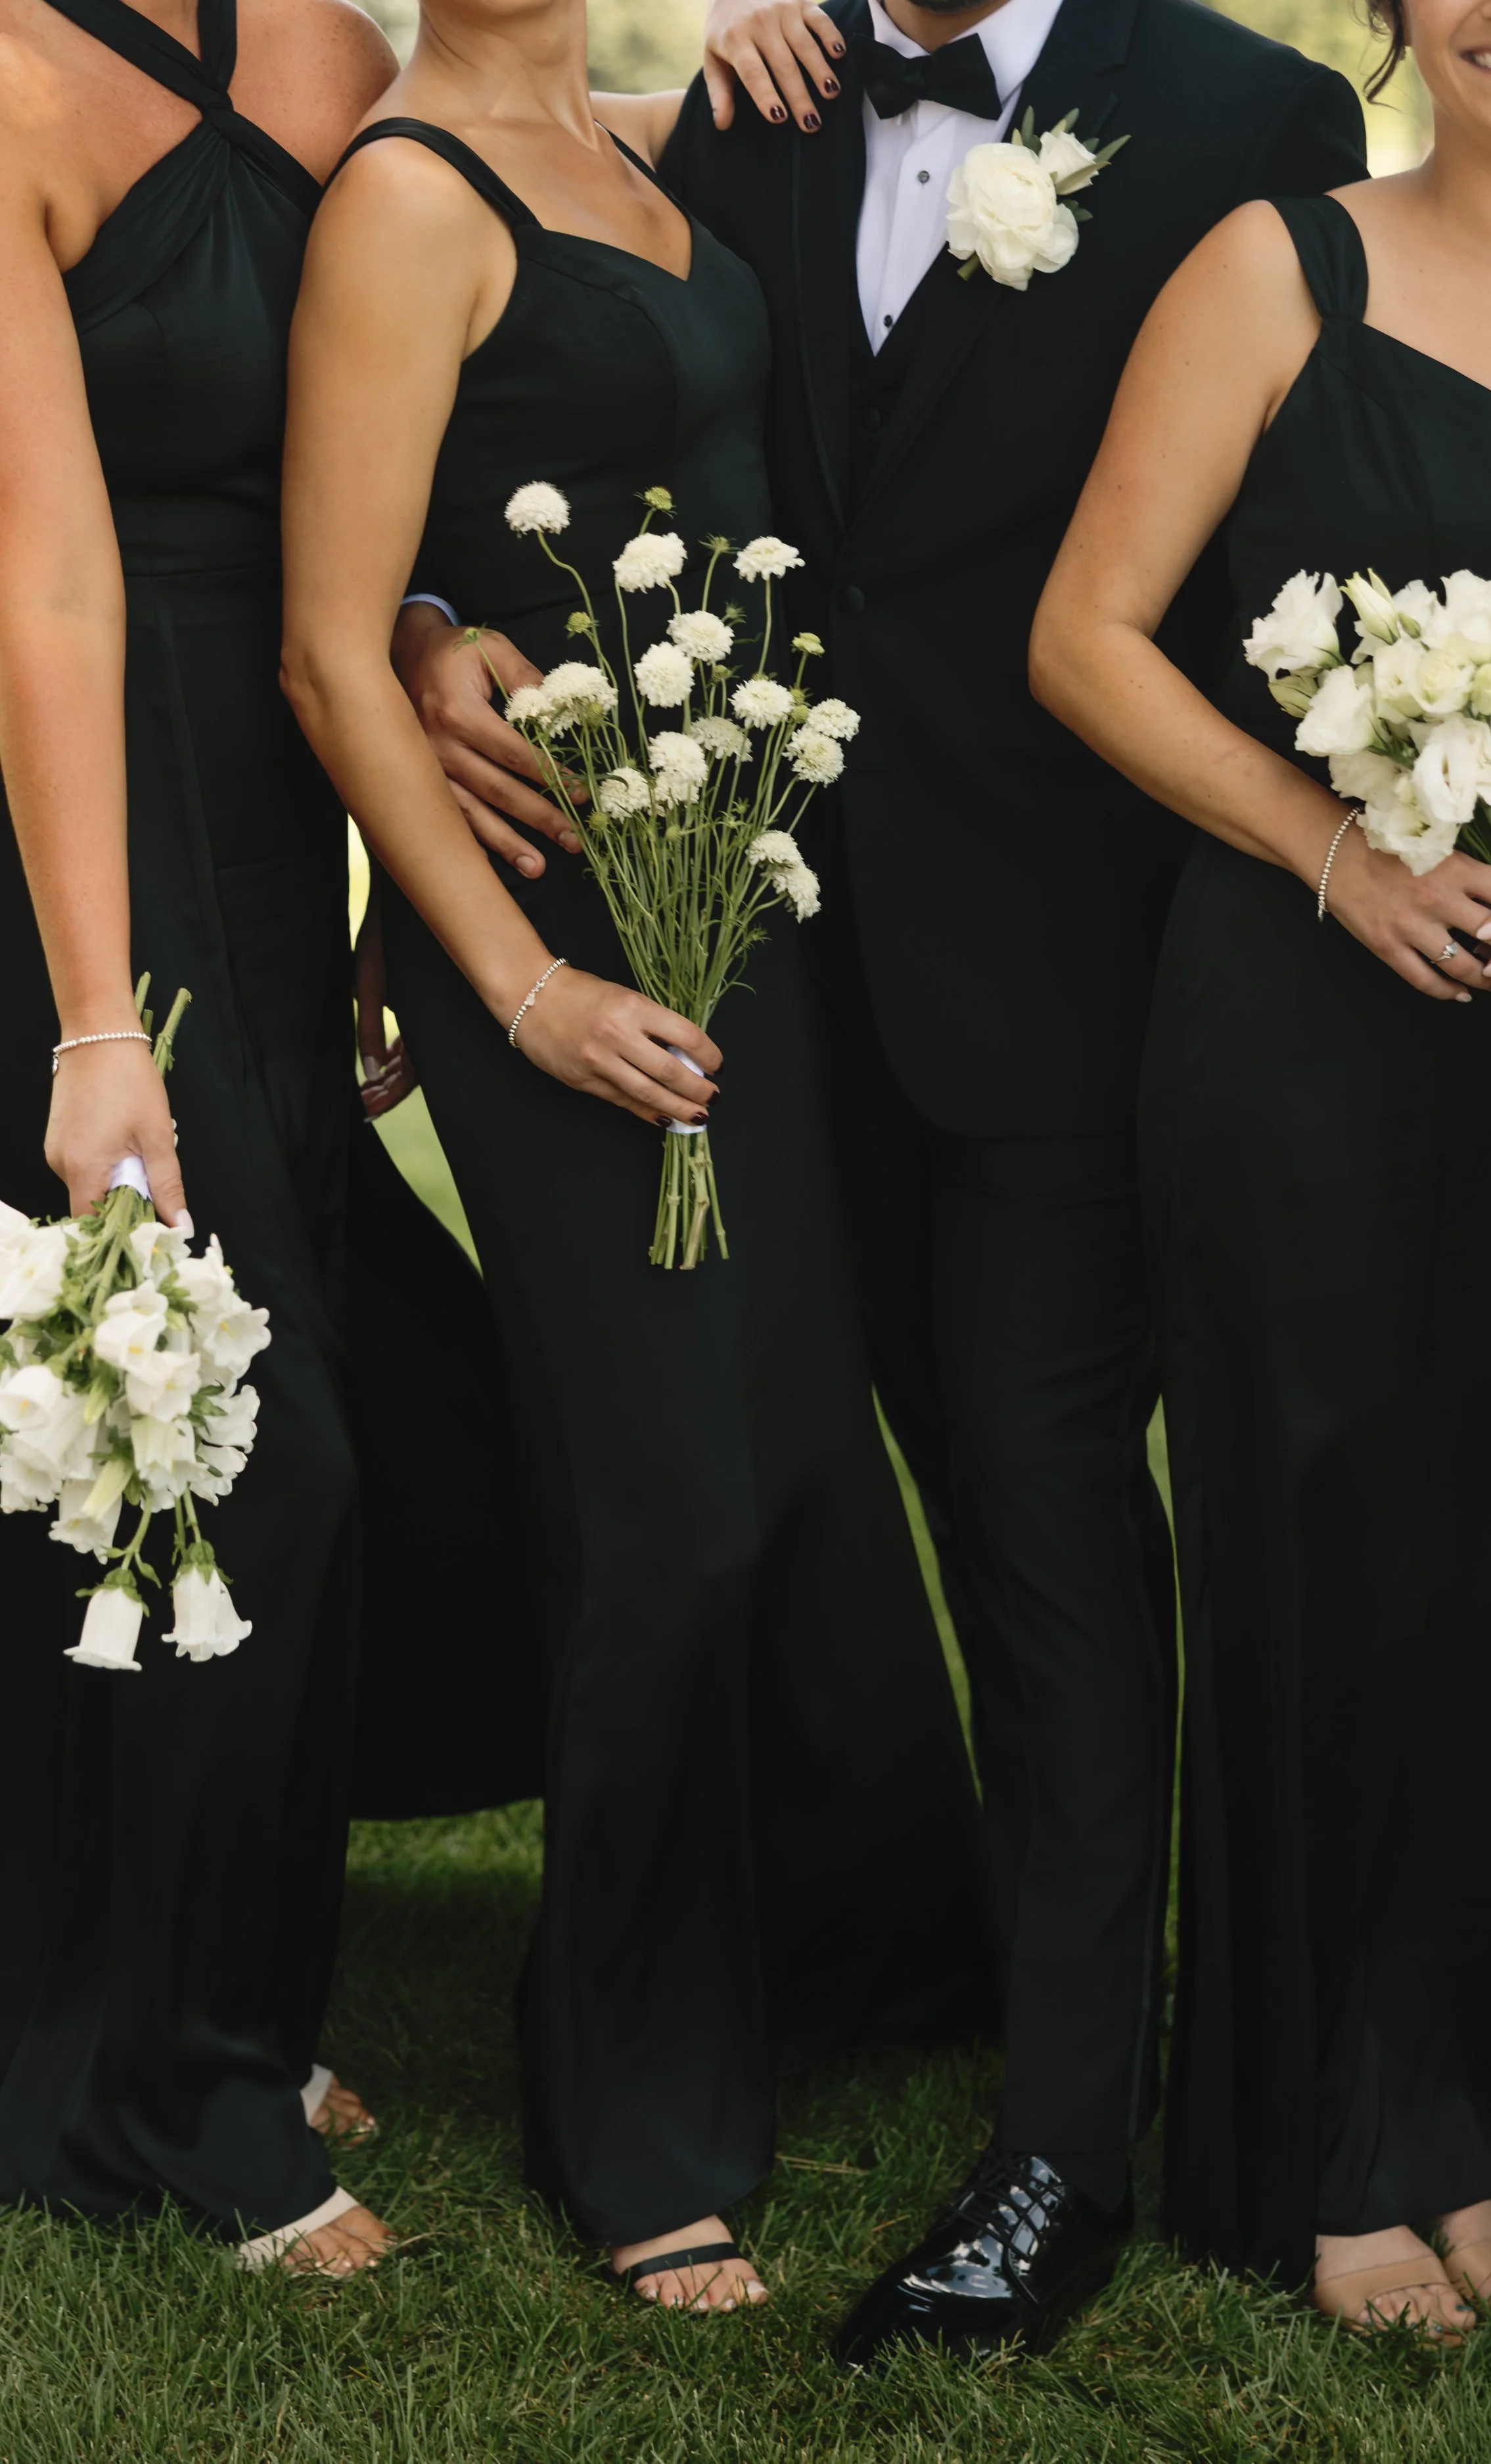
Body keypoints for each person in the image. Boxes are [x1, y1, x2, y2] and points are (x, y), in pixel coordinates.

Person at [391, 0, 1367, 2363]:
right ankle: (835, 1957)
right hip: (744, 962)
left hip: (1060, 979)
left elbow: (1311, 546)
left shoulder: (1251, 114)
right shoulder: (754, 105)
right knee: (755, 1488)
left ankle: (1060, 2143)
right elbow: (560, 394)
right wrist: (431, 633)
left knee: (1042, 1536)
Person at [279, 0, 993, 2318]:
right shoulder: (404, 195)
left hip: (733, 889)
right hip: (559, 937)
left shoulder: (643, 145)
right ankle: (633, 2102)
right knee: (660, 1499)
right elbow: (323, 647)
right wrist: (508, 983)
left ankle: (854, 1955)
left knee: (782, 1449)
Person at [1032, 0, 1491, 2344]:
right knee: (1327, 1553)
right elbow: (1080, 637)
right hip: (1301, 1026)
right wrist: (1333, 852)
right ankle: (1328, 2132)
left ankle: (1478, 2092)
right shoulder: (1279, 269)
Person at [0, 0, 407, 2275]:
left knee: (280, 1396)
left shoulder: (332, 59)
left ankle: (222, 1987)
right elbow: (39, 578)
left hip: (270, 814)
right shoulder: (4, 91)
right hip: (71, 827)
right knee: (234, 1432)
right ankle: (172, 2082)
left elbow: (399, 432)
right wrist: (86, 1017)